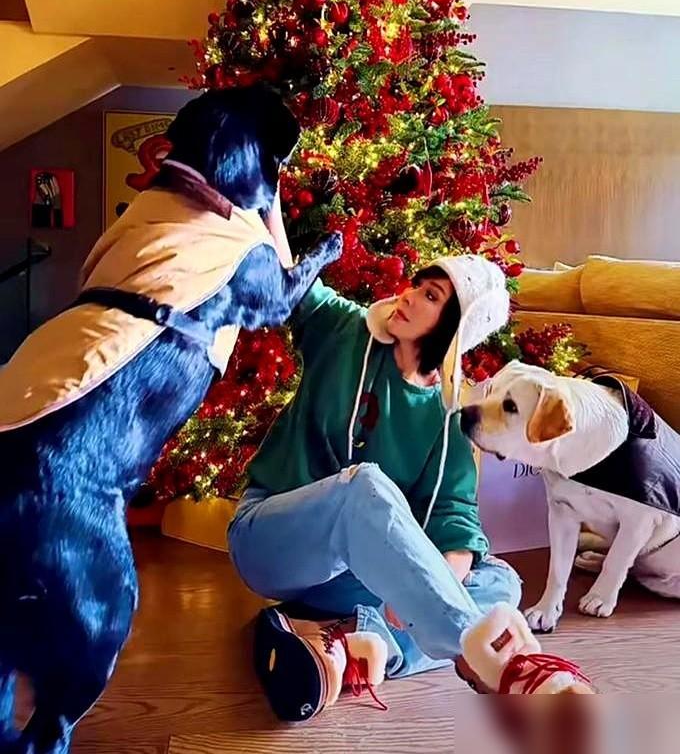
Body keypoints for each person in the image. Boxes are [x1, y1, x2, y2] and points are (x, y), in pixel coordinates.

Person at [228, 191, 593, 720]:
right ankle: (490, 661)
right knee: (364, 487)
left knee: (501, 583)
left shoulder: (449, 414)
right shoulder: (345, 330)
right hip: (272, 541)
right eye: (417, 285)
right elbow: (289, 276)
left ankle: (346, 648)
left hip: (348, 581)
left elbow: (455, 519)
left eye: (430, 295)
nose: (407, 295)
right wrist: (268, 192)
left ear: (453, 328)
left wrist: (439, 578)